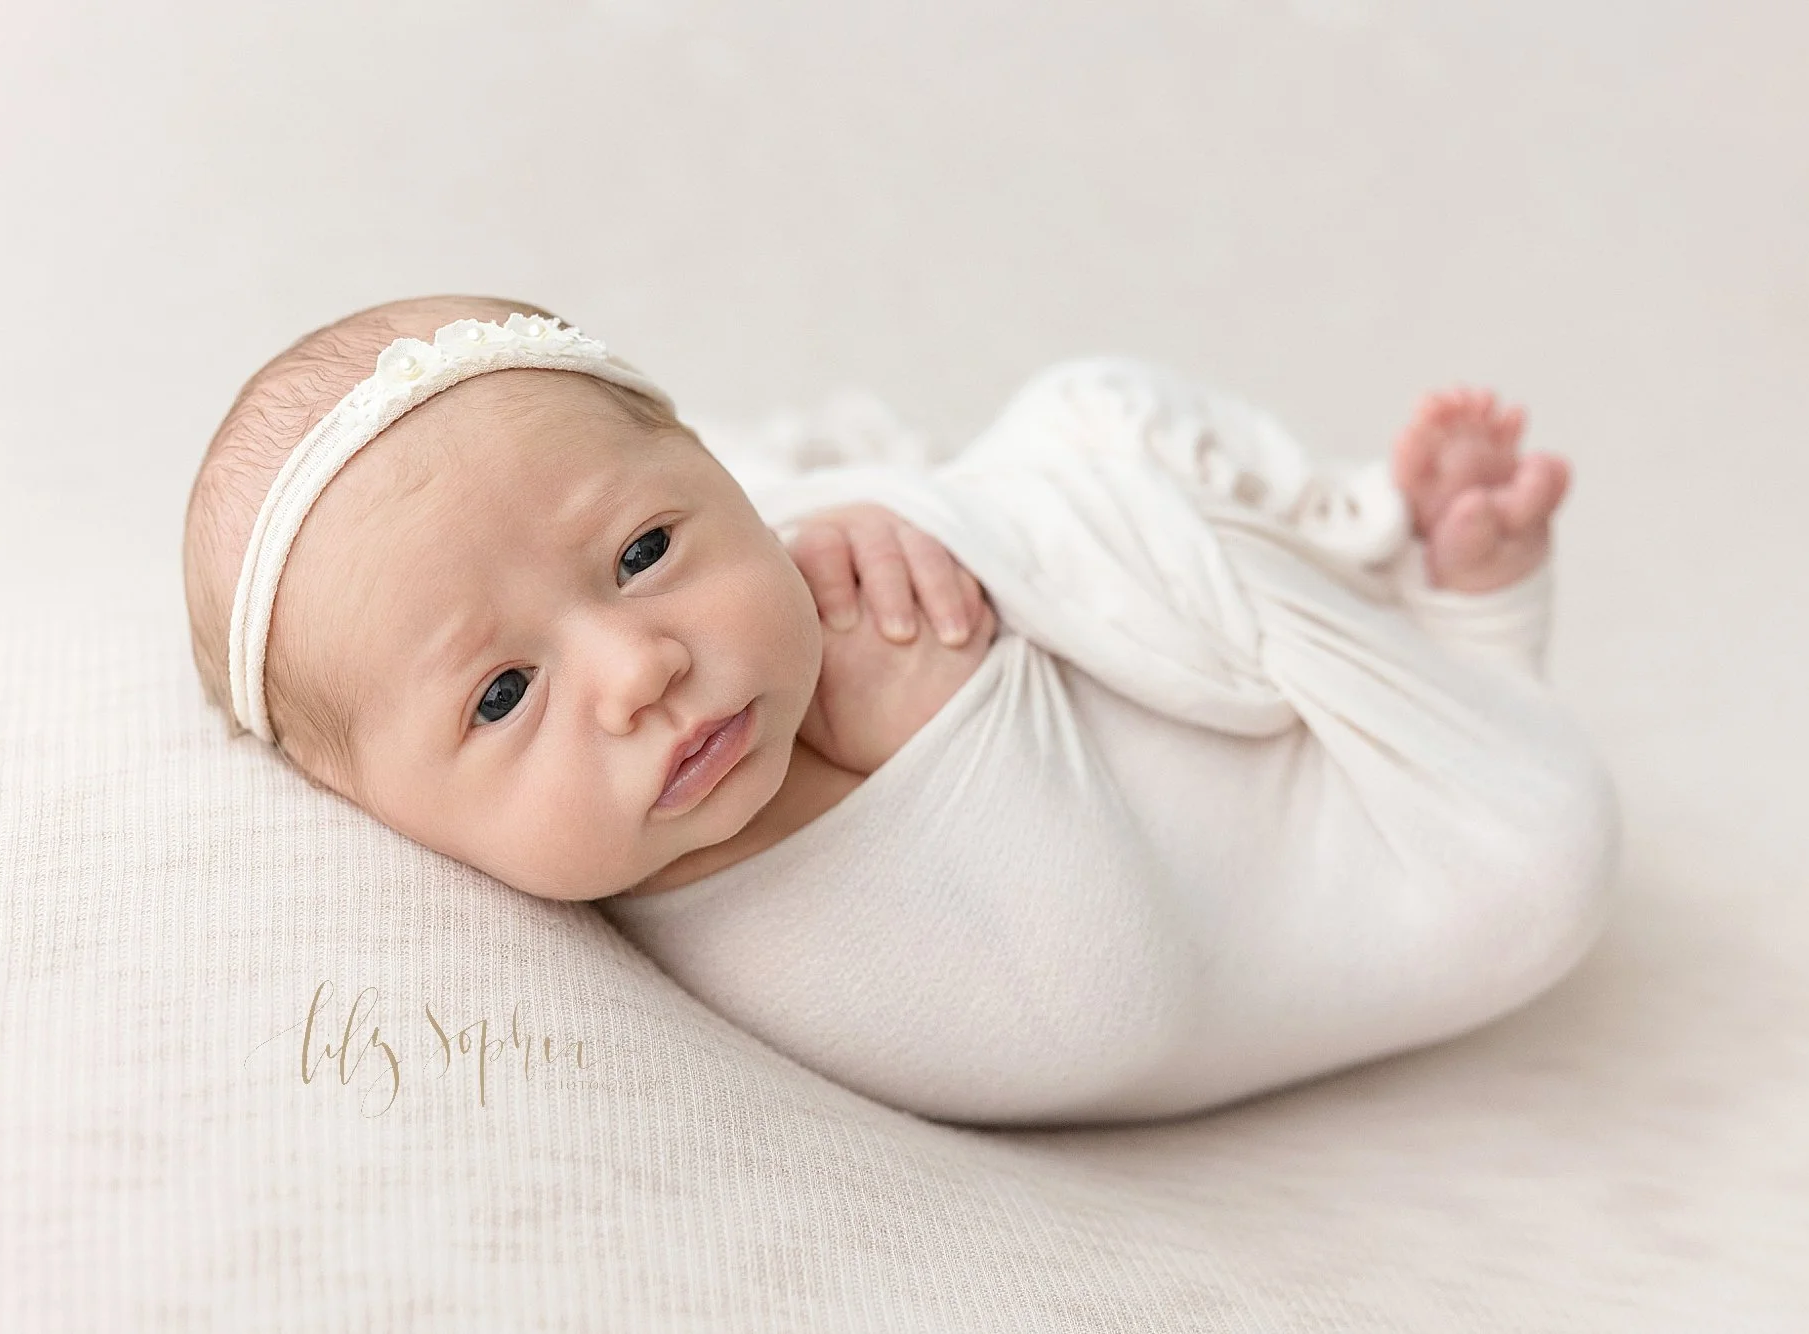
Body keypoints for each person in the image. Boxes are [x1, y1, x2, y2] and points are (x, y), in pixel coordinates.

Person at [182, 294, 1619, 1127]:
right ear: (385, 816)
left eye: (644, 551)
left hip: (1173, 737)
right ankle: (1459, 632)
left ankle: (1407, 564)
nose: (639, 669)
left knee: (1062, 420)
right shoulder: (748, 919)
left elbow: (801, 517)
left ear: (706, 472)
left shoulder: (715, 666)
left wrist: (889, 528)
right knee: (1533, 852)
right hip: (1348, 867)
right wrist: (948, 709)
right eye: (504, 693)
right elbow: (1099, 1014)